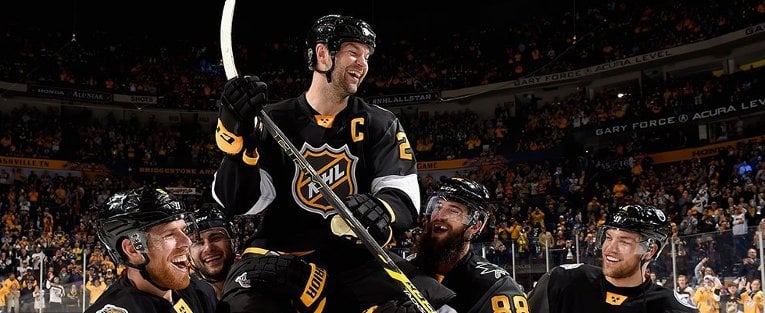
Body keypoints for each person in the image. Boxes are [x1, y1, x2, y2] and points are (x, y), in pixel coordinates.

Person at [213, 13, 429, 312]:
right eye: (353, 52)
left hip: (353, 262)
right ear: (322, 53)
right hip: (279, 255)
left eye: (366, 56)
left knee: (429, 303)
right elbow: (240, 203)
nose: (362, 64)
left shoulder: (380, 123)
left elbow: (404, 193)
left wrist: (381, 208)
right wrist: (234, 141)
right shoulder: (273, 120)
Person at [527, 204, 698, 313]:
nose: (610, 248)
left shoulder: (672, 308)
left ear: (650, 250)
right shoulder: (564, 281)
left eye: (624, 241)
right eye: (608, 238)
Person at [86, 187, 217, 313]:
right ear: (133, 250)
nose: (187, 242)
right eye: (169, 235)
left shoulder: (200, 292)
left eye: (184, 230)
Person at [408, 177, 528, 313]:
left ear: (475, 226)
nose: (439, 216)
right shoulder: (403, 270)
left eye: (453, 211)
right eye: (437, 207)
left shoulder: (495, 286)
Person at [189, 205, 236, 299]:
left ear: (233, 242)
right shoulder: (186, 296)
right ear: (188, 254)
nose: (208, 248)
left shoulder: (258, 280)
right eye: (198, 243)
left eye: (216, 238)